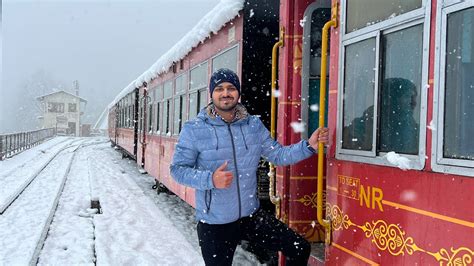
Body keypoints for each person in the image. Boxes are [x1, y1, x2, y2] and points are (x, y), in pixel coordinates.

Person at [170, 68, 329, 266]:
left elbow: (278, 155)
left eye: (230, 88)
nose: (225, 93)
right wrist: (210, 179)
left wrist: (309, 146)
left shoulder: (253, 125)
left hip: (250, 216)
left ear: (238, 93)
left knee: (299, 247)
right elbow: (177, 170)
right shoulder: (194, 129)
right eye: (219, 88)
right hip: (215, 223)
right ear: (211, 94)